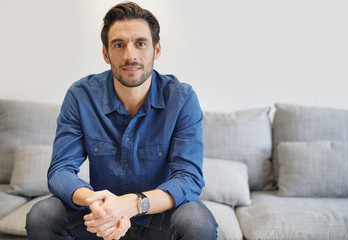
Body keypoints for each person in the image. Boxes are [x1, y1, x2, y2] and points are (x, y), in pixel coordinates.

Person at [26, 2, 218, 239]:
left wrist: (133, 204)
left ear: (156, 50)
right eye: (119, 45)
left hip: (155, 215)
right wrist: (96, 202)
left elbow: (189, 178)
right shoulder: (80, 95)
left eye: (140, 43)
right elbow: (60, 170)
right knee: (43, 214)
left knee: (197, 220)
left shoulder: (182, 99)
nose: (130, 55)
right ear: (106, 53)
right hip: (98, 214)